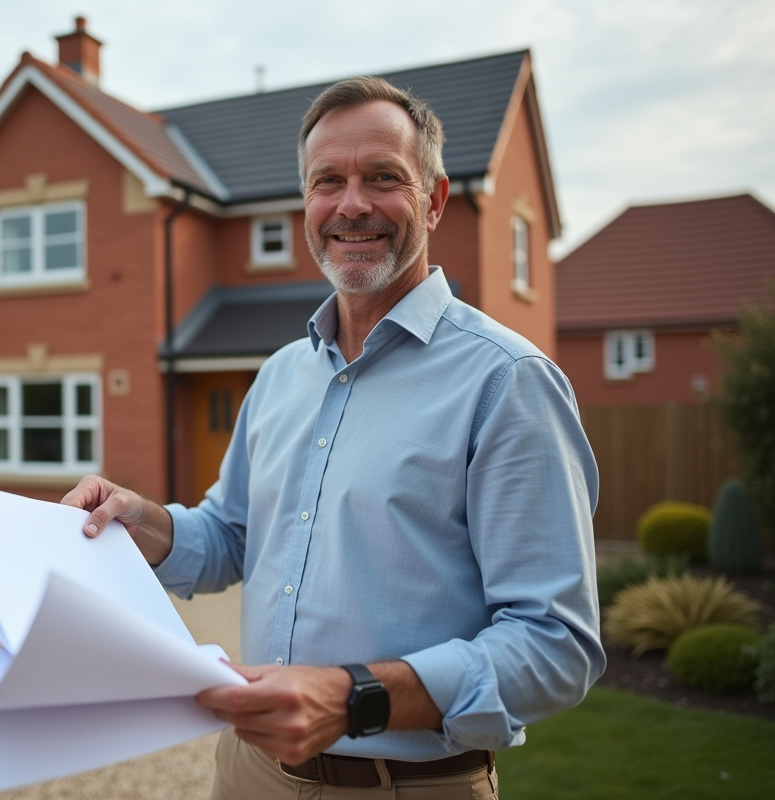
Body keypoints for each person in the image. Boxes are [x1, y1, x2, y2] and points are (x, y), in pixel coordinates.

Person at [63, 75, 603, 799]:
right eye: (328, 182)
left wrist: (354, 696)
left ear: (434, 201)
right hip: (248, 772)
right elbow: (230, 535)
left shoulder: (506, 382)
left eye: (383, 178)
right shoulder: (283, 374)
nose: (351, 204)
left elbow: (555, 645)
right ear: (306, 206)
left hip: (408, 785)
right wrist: (144, 523)